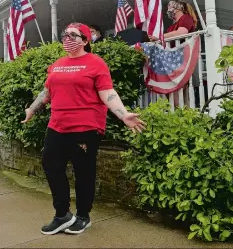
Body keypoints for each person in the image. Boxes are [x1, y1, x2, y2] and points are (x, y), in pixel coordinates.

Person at [21, 22, 145, 235]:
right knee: (50, 165)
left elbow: (107, 92)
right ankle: (62, 214)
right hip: (57, 125)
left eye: (73, 35)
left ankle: (83, 216)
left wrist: (123, 115)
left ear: (86, 41)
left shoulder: (96, 63)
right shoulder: (57, 64)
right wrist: (31, 109)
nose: (67, 39)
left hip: (85, 127)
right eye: (65, 35)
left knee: (84, 173)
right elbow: (47, 91)